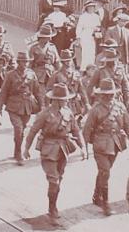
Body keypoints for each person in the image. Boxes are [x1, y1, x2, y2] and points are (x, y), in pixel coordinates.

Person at [24, 83, 87, 222]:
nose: (66, 101)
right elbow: (33, 131)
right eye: (64, 99)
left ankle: (53, 204)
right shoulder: (44, 114)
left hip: (63, 150)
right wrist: (26, 148)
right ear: (57, 100)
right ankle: (52, 209)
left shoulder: (68, 113)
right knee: (54, 181)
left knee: (59, 179)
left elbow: (76, 130)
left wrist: (83, 148)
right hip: (48, 149)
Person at [81, 78, 129, 216]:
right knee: (105, 171)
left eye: (112, 93)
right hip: (100, 144)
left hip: (115, 143)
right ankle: (105, 202)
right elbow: (87, 129)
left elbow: (128, 124)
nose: (109, 96)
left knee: (104, 172)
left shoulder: (120, 107)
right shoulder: (96, 110)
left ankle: (96, 194)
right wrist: (85, 148)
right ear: (101, 95)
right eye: (107, 94)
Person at [0, 51, 44, 164]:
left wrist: (42, 106)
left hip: (27, 106)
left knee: (22, 130)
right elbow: (3, 92)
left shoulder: (31, 74)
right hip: (13, 106)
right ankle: (19, 154)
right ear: (18, 62)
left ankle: (16, 150)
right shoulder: (10, 75)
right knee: (18, 128)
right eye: (23, 62)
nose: (25, 64)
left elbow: (37, 91)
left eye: (27, 62)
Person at [75, 0, 101, 69]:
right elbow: (79, 27)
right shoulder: (83, 16)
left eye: (92, 7)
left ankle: (91, 67)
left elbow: (98, 26)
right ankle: (84, 67)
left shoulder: (96, 16)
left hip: (93, 36)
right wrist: (78, 37)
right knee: (85, 51)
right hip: (85, 34)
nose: (91, 9)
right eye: (89, 7)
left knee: (92, 51)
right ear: (87, 8)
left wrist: (97, 30)